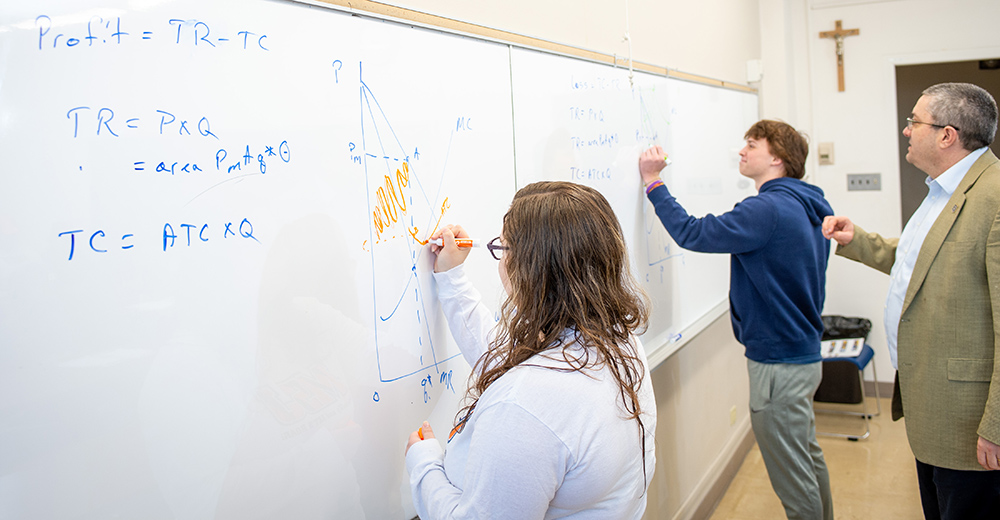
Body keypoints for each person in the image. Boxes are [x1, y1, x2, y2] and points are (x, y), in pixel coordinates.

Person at [404, 181, 657, 519]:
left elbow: (528, 400)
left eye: (503, 248)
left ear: (533, 269)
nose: (500, 261)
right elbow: (503, 359)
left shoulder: (525, 403)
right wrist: (451, 279)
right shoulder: (618, 344)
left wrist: (424, 465)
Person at [638, 120, 834, 520]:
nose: (742, 152)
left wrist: (653, 182)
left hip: (779, 362)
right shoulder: (808, 204)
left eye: (751, 145)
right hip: (802, 355)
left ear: (777, 158)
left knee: (793, 476)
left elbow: (692, 233)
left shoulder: (767, 209)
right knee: (806, 459)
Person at [822, 82, 1000, 519]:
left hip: (971, 423)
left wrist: (997, 425)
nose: (906, 130)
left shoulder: (993, 198)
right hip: (936, 412)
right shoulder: (944, 190)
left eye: (914, 121)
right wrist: (857, 240)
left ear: (947, 135)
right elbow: (921, 260)